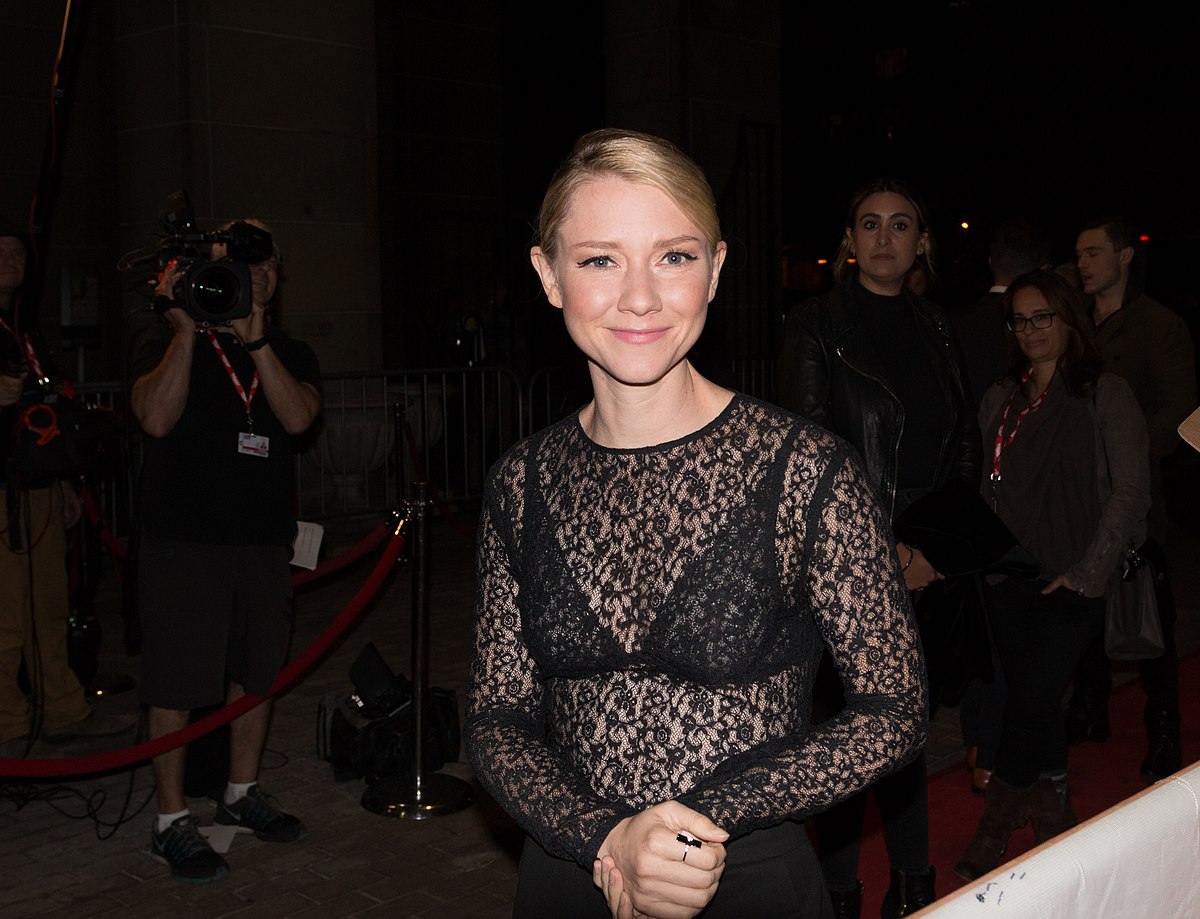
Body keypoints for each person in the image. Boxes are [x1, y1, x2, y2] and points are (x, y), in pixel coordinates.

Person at [464, 129, 927, 919]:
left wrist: (686, 833)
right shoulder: (520, 482)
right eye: (599, 259)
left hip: (748, 882)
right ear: (548, 276)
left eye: (673, 257)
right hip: (572, 874)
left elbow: (894, 708)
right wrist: (611, 839)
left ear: (715, 268)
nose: (640, 297)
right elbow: (496, 719)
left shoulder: (805, 470)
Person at [776, 178, 980, 918]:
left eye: (901, 225)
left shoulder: (939, 326)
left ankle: (913, 887)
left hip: (924, 562)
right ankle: (837, 894)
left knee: (906, 731)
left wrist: (928, 549)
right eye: (870, 223)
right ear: (849, 241)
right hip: (842, 562)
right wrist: (872, 553)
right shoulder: (816, 321)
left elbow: (964, 446)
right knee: (843, 734)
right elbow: (810, 445)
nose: (885, 237)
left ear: (921, 242)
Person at [130, 219, 322, 883]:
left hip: (263, 541)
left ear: (276, 271)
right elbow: (154, 418)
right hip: (182, 542)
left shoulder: (290, 351)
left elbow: (298, 419)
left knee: (255, 670)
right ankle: (170, 818)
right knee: (177, 679)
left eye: (261, 262)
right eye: (233, 265)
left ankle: (242, 793)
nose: (251, 273)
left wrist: (257, 339)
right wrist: (187, 330)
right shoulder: (166, 339)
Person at [954, 269, 1150, 879]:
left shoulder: (1104, 392)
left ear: (1068, 319)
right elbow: (981, 491)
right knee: (1033, 702)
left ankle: (995, 824)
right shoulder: (1000, 397)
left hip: (1072, 582)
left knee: (1032, 698)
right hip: (1006, 580)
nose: (1033, 329)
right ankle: (1050, 805)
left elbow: (1130, 494)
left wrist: (1089, 573)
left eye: (1044, 316)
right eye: (1020, 319)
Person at [1065, 216, 1195, 782]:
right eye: (1078, 255)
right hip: (1076, 496)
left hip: (1135, 499)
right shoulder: (1074, 322)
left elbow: (1177, 410)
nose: (1082, 264)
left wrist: (1130, 458)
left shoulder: (1158, 326)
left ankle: (1163, 726)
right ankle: (1090, 709)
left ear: (1124, 257)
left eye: (1092, 253)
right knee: (1084, 608)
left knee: (1150, 618)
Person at [1, 228, 131, 753]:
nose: (10, 261)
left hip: (37, 484)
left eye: (16, 254)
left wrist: (65, 484)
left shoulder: (24, 331)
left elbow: (47, 414)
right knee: (6, 616)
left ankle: (62, 709)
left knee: (49, 608)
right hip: (0, 492)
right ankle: (7, 725)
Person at [951, 216, 1052, 796]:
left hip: (993, 511)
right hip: (999, 509)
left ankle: (983, 746)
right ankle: (996, 750)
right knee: (1004, 638)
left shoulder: (959, 323)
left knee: (995, 637)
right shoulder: (989, 344)